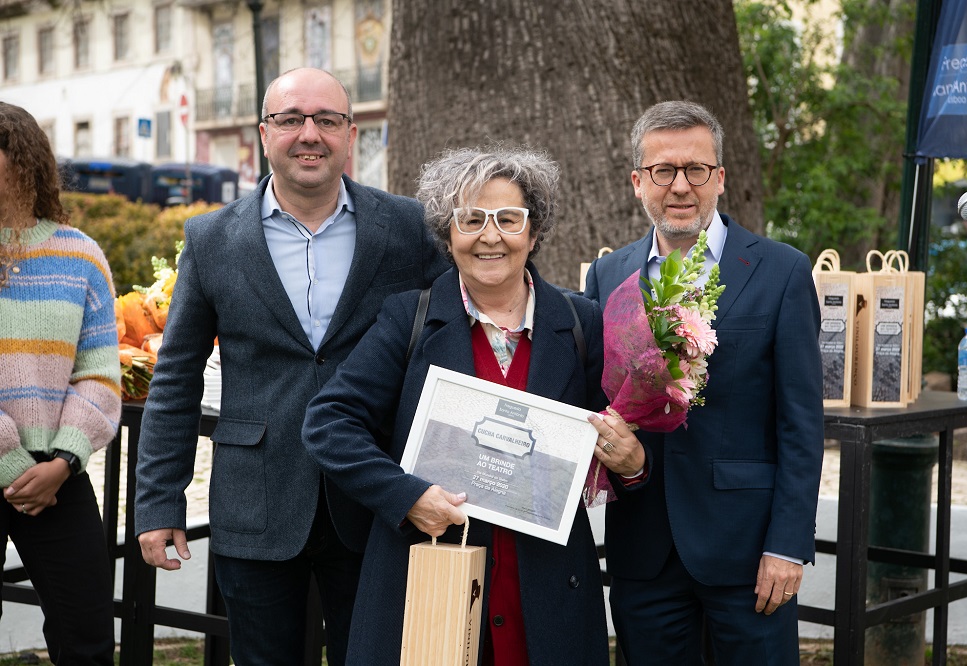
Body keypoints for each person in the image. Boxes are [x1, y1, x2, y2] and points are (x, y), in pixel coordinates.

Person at [133, 68, 449, 665]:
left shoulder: (409, 229)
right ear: (263, 133)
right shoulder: (212, 239)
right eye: (291, 120)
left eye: (327, 120)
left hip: (375, 497)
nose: (310, 134)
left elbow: (449, 344)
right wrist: (158, 503)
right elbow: (176, 377)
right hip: (256, 505)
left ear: (350, 135)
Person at [302, 145, 645, 665]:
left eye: (509, 219)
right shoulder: (408, 320)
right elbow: (329, 424)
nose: (490, 236)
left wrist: (633, 464)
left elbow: (612, 442)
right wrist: (407, 496)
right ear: (448, 234)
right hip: (430, 585)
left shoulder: (581, 324)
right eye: (471, 219)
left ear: (533, 232)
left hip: (547, 592)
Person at [584, 100, 824, 664]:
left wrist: (787, 546)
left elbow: (801, 425)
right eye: (664, 171)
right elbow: (599, 398)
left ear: (720, 177)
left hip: (748, 554)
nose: (681, 186)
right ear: (637, 182)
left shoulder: (782, 271)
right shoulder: (608, 274)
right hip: (642, 549)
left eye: (696, 169)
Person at [0, 101, 121, 665]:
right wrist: (11, 463)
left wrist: (63, 461)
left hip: (56, 478)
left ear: (22, 161)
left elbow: (99, 375)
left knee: (87, 634)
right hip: (22, 469)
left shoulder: (79, 257)